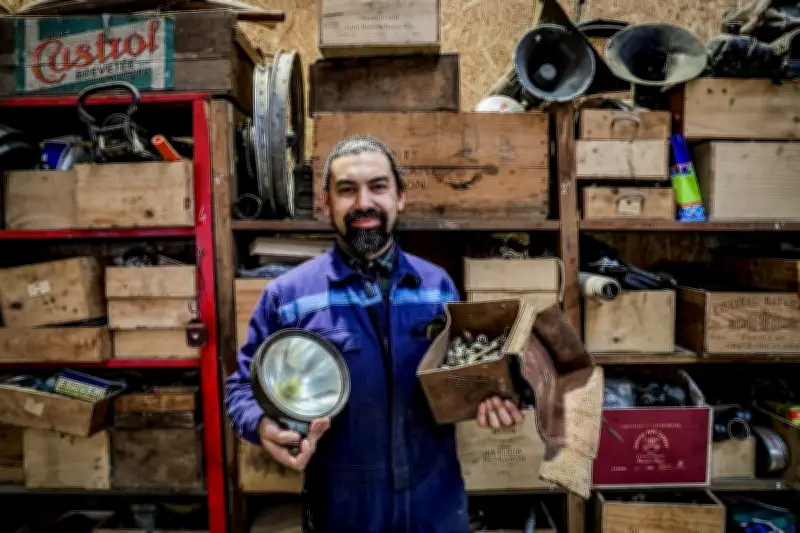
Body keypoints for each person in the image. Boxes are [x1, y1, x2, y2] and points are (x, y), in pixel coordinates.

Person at [225, 135, 524, 533]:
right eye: (347, 190)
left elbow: (458, 375)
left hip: (435, 506)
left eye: (378, 187)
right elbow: (241, 388)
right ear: (327, 203)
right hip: (343, 511)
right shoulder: (289, 296)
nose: (363, 203)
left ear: (400, 197)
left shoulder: (436, 286)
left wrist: (485, 397)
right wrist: (263, 425)